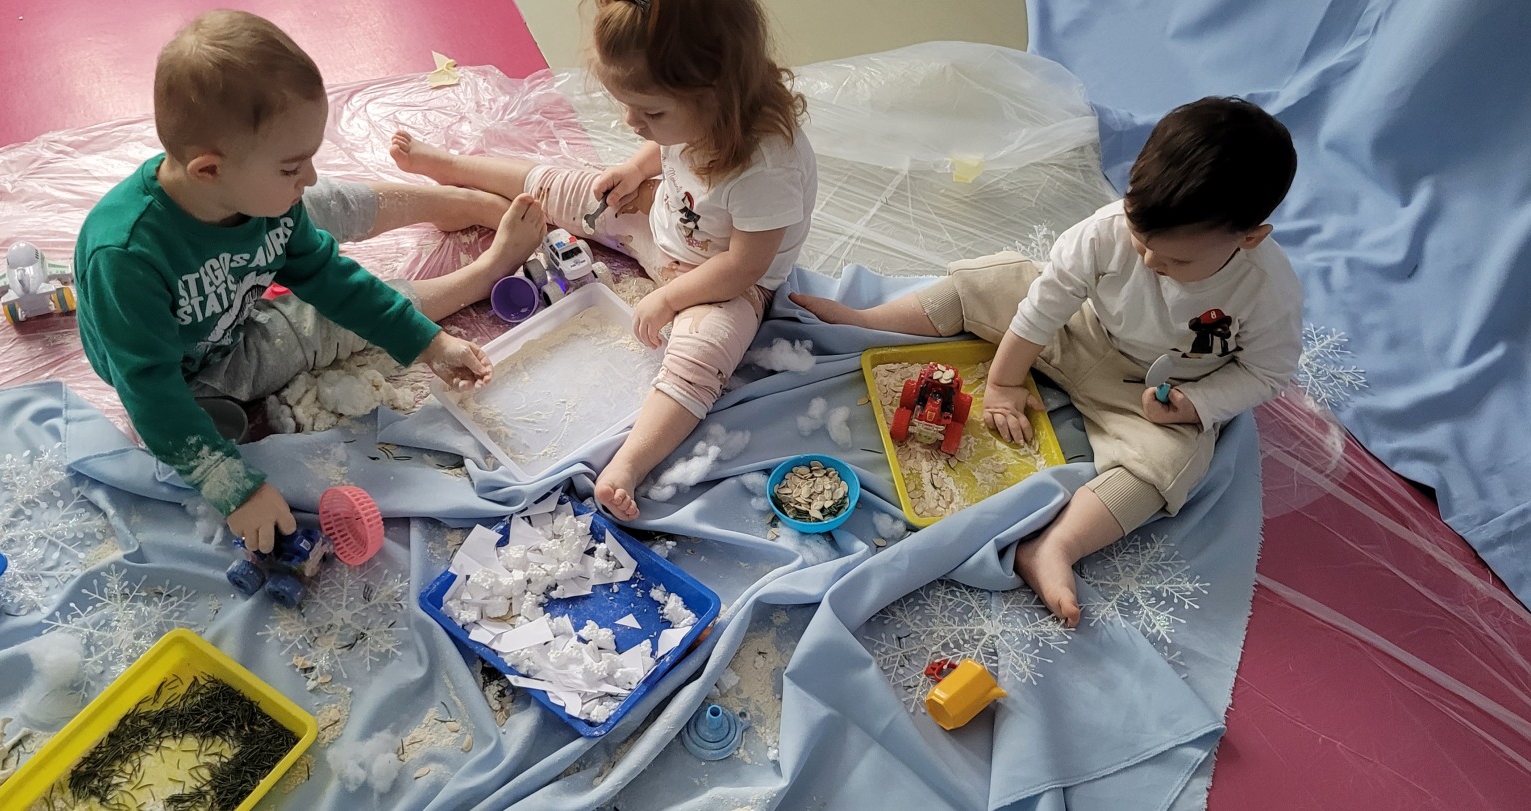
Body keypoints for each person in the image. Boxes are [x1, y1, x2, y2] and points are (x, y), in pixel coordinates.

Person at [794, 97, 1302, 625]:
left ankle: (1055, 546)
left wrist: (1197, 404)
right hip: (1077, 328)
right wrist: (1003, 382)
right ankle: (869, 320)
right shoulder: (1104, 231)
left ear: (1249, 238)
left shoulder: (1268, 291)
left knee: (1166, 468)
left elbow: (1266, 373)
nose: (1150, 261)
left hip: (1150, 388)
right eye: (1139, 238)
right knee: (993, 280)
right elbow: (1043, 306)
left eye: (1177, 260)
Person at [75, 10, 547, 552]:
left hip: (237, 276)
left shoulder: (254, 192)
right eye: (292, 166)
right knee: (312, 330)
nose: (310, 173)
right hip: (194, 367)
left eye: (309, 158)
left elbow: (328, 274)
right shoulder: (126, 258)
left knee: (321, 203)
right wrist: (233, 487)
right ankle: (483, 273)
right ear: (208, 170)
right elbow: (150, 389)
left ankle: (449, 199)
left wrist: (427, 342)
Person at [388, 0, 816, 520]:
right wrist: (635, 170)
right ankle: (454, 167)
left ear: (718, 95)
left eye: (651, 113)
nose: (631, 122)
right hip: (663, 224)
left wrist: (669, 298)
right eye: (627, 106)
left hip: (726, 279)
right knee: (564, 186)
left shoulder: (767, 166)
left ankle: (630, 464)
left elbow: (745, 266)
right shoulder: (697, 113)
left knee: (703, 352)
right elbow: (668, 150)